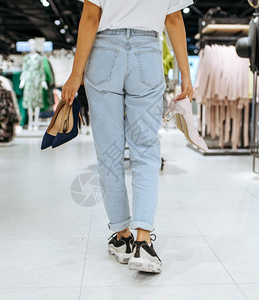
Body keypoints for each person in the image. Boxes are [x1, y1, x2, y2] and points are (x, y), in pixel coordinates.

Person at [62, 0, 194, 274]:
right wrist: (186, 75)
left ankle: (122, 237)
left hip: (104, 52)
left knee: (109, 153)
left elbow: (90, 16)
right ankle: (143, 242)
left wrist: (76, 75)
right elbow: (173, 20)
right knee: (146, 151)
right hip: (147, 52)